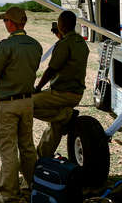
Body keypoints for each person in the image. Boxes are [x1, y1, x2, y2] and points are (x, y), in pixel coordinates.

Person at [0, 6, 42, 203]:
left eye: (5, 21)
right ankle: (35, 187)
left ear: (10, 23)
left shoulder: (5, 45)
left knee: (8, 148)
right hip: (28, 101)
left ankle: (9, 195)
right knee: (27, 146)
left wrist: (2, 92)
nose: (5, 24)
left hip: (8, 103)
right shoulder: (36, 45)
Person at [33, 10, 89, 159]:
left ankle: (66, 116)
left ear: (61, 25)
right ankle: (43, 157)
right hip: (76, 93)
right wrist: (61, 37)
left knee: (24, 104)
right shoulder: (80, 42)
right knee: (55, 126)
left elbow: (52, 69)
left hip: (61, 93)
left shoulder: (64, 44)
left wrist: (37, 89)